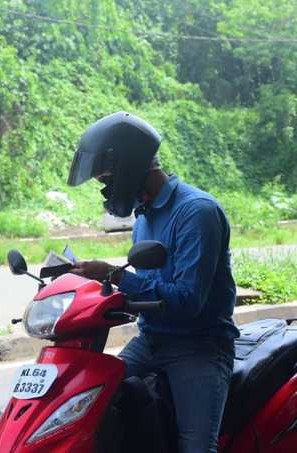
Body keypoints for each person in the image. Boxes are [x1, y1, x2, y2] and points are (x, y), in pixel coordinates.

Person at [67, 111, 239, 453]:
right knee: (87, 410)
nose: (105, 189)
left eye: (106, 179)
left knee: (195, 447)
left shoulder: (196, 212)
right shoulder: (144, 217)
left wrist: (116, 276)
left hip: (199, 346)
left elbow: (188, 300)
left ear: (130, 167)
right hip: (152, 340)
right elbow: (146, 282)